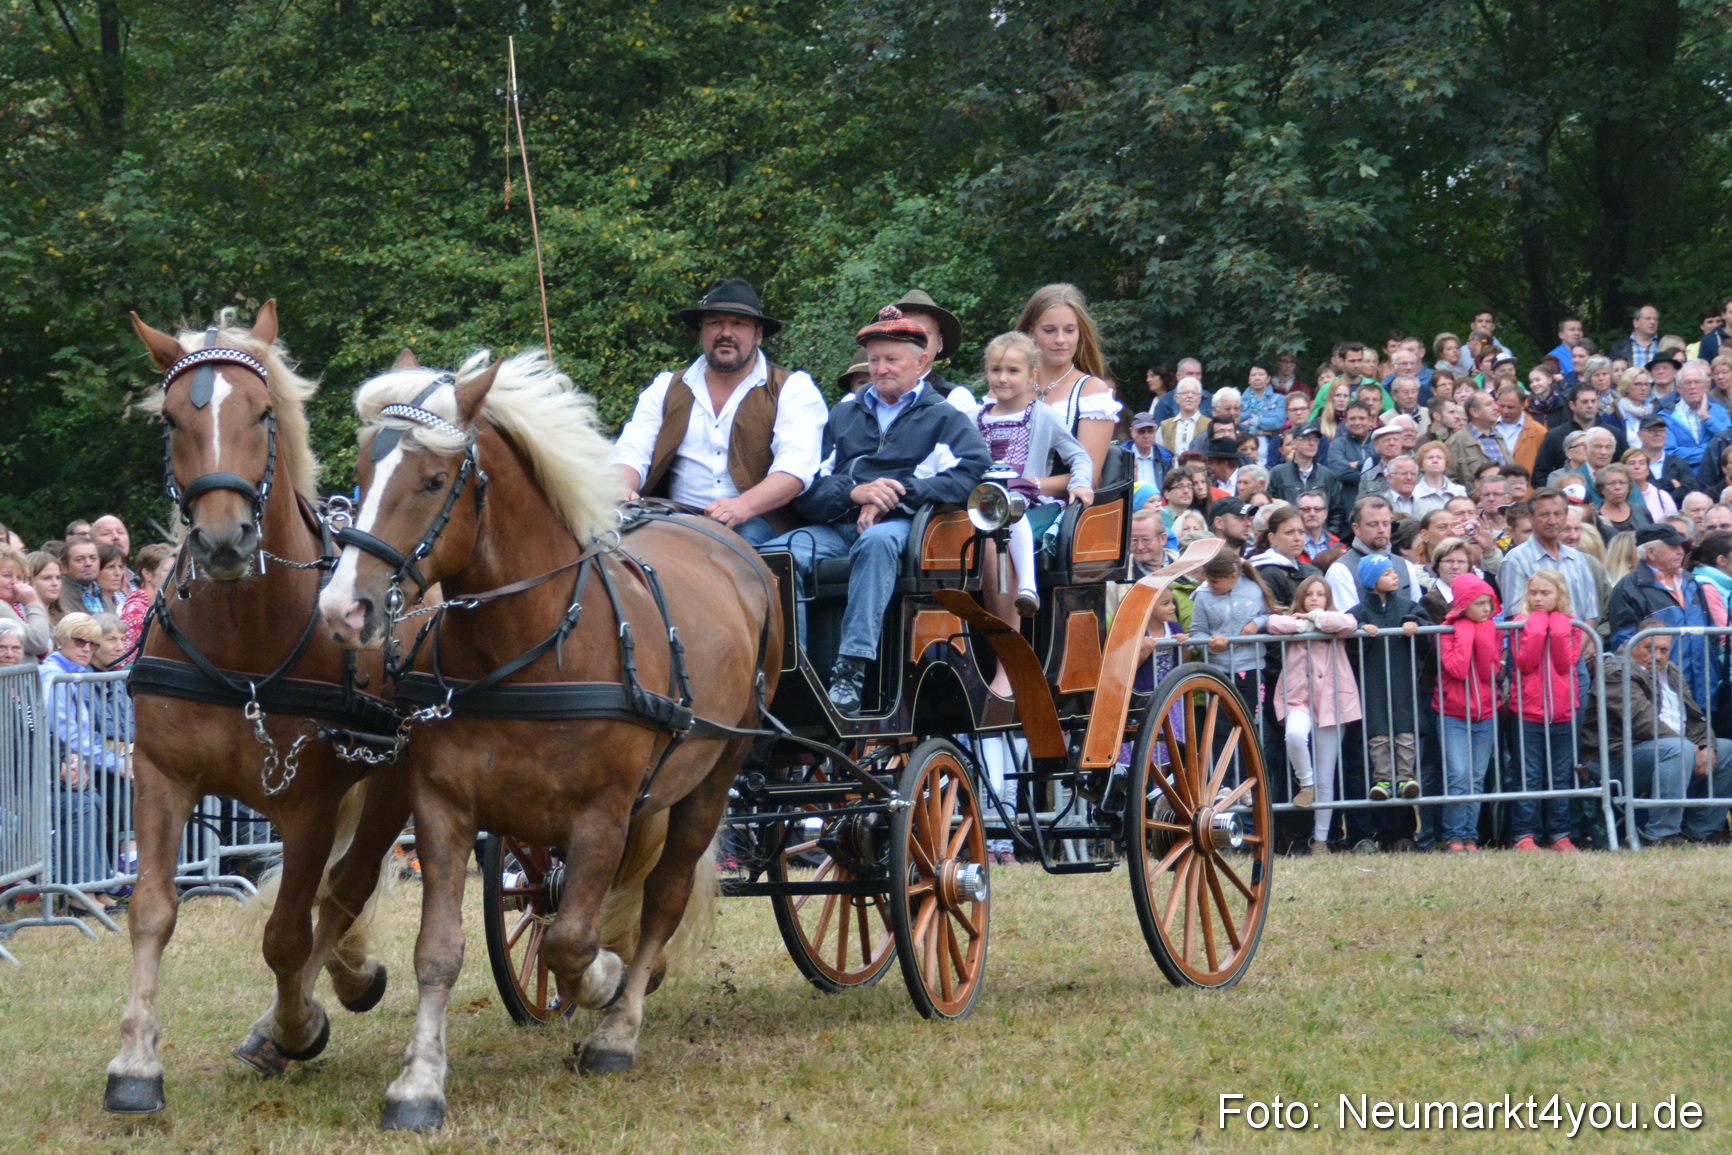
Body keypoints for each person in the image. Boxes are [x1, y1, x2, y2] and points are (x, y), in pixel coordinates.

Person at [764, 305, 990, 714]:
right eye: (874, 360)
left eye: (891, 359)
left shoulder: (944, 416)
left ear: (921, 362)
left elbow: (973, 473)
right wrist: (856, 493)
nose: (880, 369)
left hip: (905, 527)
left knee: (876, 544)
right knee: (775, 556)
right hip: (838, 527)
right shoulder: (845, 414)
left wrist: (897, 494)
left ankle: (851, 668)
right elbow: (808, 487)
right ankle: (791, 668)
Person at [613, 279, 828, 545]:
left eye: (738, 324)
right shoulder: (665, 388)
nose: (726, 333)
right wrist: (623, 486)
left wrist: (742, 507)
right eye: (715, 323)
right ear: (702, 331)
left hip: (757, 523)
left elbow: (794, 470)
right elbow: (633, 450)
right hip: (673, 518)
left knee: (744, 539)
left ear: (758, 334)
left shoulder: (793, 388)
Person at [973, 330, 1094, 631]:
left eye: (1013, 371)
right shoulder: (976, 417)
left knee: (1010, 515)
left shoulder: (1042, 415)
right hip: (984, 502)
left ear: (1031, 375)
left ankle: (1028, 586)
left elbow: (1079, 456)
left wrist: (1080, 483)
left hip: (1026, 501)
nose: (1003, 378)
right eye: (995, 370)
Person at [1584, 624, 1732, 845]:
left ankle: (1702, 830)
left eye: (1664, 650)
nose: (1658, 656)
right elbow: (1644, 723)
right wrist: (1691, 748)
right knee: (1677, 749)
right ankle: (1660, 834)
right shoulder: (1615, 670)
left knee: (1727, 749)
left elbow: (1694, 717)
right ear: (1633, 642)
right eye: (1650, 648)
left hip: (1665, 750)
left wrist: (1706, 746)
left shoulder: (1671, 670)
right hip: (1614, 758)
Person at [1267, 576, 1361, 853]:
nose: (1315, 598)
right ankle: (1304, 783)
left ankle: (1320, 839)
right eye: (1310, 594)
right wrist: (1303, 624)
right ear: (1301, 598)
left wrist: (1315, 618)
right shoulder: (1292, 622)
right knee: (1295, 735)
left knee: (1326, 774)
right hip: (1299, 698)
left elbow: (1348, 623)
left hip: (1331, 701)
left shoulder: (1332, 619)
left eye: (1321, 594)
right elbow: (1273, 624)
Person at [40, 613, 122, 907]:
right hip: (47, 774)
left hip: (72, 766)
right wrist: (118, 763)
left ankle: (99, 888)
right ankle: (80, 894)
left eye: (92, 643)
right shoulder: (53, 677)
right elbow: (67, 734)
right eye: (79, 641)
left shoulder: (74, 674)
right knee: (86, 804)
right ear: (60, 642)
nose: (87, 648)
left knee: (97, 800)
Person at [1508, 570, 1583, 852]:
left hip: (1562, 711)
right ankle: (1524, 834)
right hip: (1528, 712)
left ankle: (1559, 833)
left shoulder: (1571, 625)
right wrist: (1538, 625)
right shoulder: (1520, 624)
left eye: (1545, 593)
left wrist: (1559, 627)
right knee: (1528, 774)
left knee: (1561, 775)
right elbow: (1525, 663)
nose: (1538, 598)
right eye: (1533, 593)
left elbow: (1566, 663)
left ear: (1559, 595)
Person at [1017, 283, 1120, 482]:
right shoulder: (1008, 386)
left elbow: (1086, 477)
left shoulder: (1092, 393)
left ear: (1079, 333)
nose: (1061, 339)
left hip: (1060, 506)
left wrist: (1021, 486)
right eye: (1049, 330)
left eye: (1070, 330)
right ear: (1031, 332)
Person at [1435, 574, 1502, 852]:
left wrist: (1483, 634)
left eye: (1489, 603)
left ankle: (1469, 835)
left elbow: (1491, 670)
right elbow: (1458, 669)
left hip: (1485, 712)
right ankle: (1453, 835)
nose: (1487, 609)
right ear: (1463, 605)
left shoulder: (1492, 630)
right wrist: (1465, 632)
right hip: (1453, 714)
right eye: (1480, 603)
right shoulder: (1447, 632)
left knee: (1475, 777)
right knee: (1459, 774)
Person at [1354, 554, 1426, 803]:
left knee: (1405, 731)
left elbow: (1425, 627)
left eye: (1394, 572)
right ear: (1372, 582)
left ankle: (1406, 778)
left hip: (1402, 680)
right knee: (1379, 735)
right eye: (1386, 574)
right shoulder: (1359, 612)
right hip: (1373, 684)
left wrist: (1414, 625)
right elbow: (1348, 645)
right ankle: (1382, 779)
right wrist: (1360, 633)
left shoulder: (1407, 606)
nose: (1395, 576)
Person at [1499, 488, 1602, 623]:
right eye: (1544, 514)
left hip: (1578, 642)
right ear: (1531, 518)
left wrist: (1576, 644)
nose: (1552, 521)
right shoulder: (1515, 560)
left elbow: (1590, 614)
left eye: (1558, 514)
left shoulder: (1578, 559)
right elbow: (1516, 618)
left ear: (1565, 516)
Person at [1189, 553, 1274, 706]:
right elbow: (1197, 632)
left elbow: (1269, 615)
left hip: (1252, 668)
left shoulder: (1255, 590)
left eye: (1215, 581)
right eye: (1207, 580)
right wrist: (1210, 644)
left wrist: (1257, 623)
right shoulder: (1202, 595)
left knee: (1253, 719)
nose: (1210, 585)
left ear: (1233, 576)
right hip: (1218, 670)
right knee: (1220, 722)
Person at [1663, 361, 1729, 469]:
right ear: (1679, 388)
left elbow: (1728, 441)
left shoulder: (1719, 411)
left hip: (1717, 477)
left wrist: (1707, 418)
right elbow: (1670, 452)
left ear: (1705, 386)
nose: (1693, 387)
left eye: (1697, 382)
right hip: (1684, 477)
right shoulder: (1667, 417)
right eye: (1687, 383)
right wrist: (1712, 452)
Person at [120, 543, 175, 659]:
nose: (174, 576)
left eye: (174, 571)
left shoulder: (167, 604)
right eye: (168, 571)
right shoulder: (135, 609)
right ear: (147, 574)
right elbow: (128, 656)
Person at [1442, 392, 1503, 489]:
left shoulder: (1499, 437)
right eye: (1488, 404)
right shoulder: (1455, 443)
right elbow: (1448, 481)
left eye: (1494, 403)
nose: (1495, 407)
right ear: (1474, 412)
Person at [0, 545, 50, 658]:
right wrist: (32, 603)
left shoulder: (13, 606)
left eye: (19, 577)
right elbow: (37, 642)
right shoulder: (1, 606)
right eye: (7, 575)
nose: (14, 582)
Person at [1156, 378, 1206, 461]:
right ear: (1176, 398)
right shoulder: (1165, 426)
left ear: (1200, 399)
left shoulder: (1209, 425)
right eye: (1185, 393)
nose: (1189, 396)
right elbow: (1159, 455)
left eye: (1194, 393)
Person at [1594, 463, 1650, 538]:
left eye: (1622, 482)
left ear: (1629, 487)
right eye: (1611, 483)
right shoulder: (1595, 516)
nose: (1617, 487)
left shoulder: (1641, 510)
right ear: (1601, 489)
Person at [1412, 442, 1464, 520]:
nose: (1435, 461)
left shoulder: (1459, 491)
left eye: (1439, 457)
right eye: (1430, 458)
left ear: (1445, 464)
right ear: (1421, 466)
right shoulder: (1414, 494)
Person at [1625, 449, 1678, 523]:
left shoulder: (1662, 496)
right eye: (1632, 463)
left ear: (1648, 469)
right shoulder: (1620, 498)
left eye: (1642, 463)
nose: (1637, 467)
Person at [1607, 365, 1654, 445]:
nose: (1643, 388)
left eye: (1646, 384)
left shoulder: (1652, 410)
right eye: (1637, 384)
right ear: (1626, 386)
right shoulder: (1614, 413)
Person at [59, 537, 104, 617]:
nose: (88, 563)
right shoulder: (58, 599)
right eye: (79, 559)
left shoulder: (106, 596)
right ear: (64, 567)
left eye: (93, 558)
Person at [1609, 304, 1661, 368]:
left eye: (1655, 319)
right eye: (1648, 319)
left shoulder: (1664, 345)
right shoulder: (1619, 347)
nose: (1653, 322)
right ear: (1635, 323)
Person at [1295, 490, 1340, 563]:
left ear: (1325, 513)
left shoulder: (1338, 545)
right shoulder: (1290, 544)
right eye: (1306, 509)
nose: (1312, 514)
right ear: (1297, 513)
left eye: (1317, 509)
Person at [1123, 412, 1163, 487]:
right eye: (1141, 431)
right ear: (1131, 432)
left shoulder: (1165, 457)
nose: (1146, 436)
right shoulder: (1121, 457)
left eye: (1150, 431)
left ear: (1156, 431)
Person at [28, 551, 65, 629]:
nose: (55, 583)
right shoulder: (20, 617)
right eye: (47, 578)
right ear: (29, 581)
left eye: (58, 577)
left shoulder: (65, 618)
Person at [92, 543, 128, 614]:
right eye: (110, 567)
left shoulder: (122, 605)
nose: (118, 573)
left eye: (120, 567)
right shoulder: (91, 605)